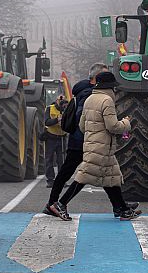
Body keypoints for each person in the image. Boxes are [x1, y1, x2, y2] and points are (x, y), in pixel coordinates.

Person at [49, 71, 141, 221]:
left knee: (112, 176)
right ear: (110, 87)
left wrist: (94, 131)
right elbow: (113, 127)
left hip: (92, 143)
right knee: (84, 176)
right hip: (102, 146)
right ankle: (61, 204)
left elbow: (82, 125)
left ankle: (122, 208)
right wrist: (126, 123)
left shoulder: (90, 99)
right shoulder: (107, 101)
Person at [43, 63, 106, 216]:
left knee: (105, 171)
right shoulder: (88, 94)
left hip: (81, 140)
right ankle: (57, 203)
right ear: (96, 79)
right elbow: (82, 118)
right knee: (87, 172)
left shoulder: (85, 92)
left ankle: (121, 206)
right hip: (83, 140)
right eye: (105, 76)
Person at [42, 95, 68, 187]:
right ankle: (50, 180)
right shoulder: (49, 108)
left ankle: (61, 180)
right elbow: (47, 122)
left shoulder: (66, 109)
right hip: (51, 138)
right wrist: (57, 120)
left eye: (64, 102)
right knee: (49, 159)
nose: (63, 104)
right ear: (57, 101)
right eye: (61, 102)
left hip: (61, 138)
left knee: (62, 160)